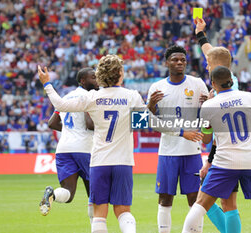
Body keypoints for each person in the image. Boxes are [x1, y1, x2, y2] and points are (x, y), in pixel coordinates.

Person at [38, 54, 202, 233]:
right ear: (118, 73)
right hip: (123, 163)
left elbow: (60, 105)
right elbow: (152, 123)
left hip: (99, 162)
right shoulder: (131, 96)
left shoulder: (93, 97)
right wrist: (181, 132)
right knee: (123, 212)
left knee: (100, 214)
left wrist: (47, 84)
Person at [182, 66, 251, 233]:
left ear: (213, 84)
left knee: (201, 205)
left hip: (225, 162)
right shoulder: (249, 97)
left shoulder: (209, 105)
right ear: (232, 81)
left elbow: (206, 139)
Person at [147, 45, 209, 233]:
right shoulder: (157, 87)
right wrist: (150, 105)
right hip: (168, 151)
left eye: (182, 59)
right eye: (175, 59)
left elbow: (207, 113)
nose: (179, 62)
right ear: (167, 63)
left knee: (195, 199)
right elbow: (148, 121)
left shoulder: (197, 83)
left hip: (192, 151)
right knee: (165, 199)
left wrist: (207, 106)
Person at [195, 17, 241, 233]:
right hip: (233, 150)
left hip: (223, 152)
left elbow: (216, 132)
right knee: (228, 203)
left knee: (205, 199)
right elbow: (211, 53)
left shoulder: (220, 91)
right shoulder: (228, 79)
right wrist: (200, 34)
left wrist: (209, 161)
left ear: (217, 67)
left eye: (208, 63)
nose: (206, 64)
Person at [39, 67, 98, 227]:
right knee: (94, 195)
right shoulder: (89, 97)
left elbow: (52, 122)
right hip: (85, 149)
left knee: (68, 193)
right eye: (93, 77)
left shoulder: (67, 96)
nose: (97, 80)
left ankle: (52, 194)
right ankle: (96, 229)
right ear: (83, 81)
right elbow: (89, 124)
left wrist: (71, 131)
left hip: (64, 149)